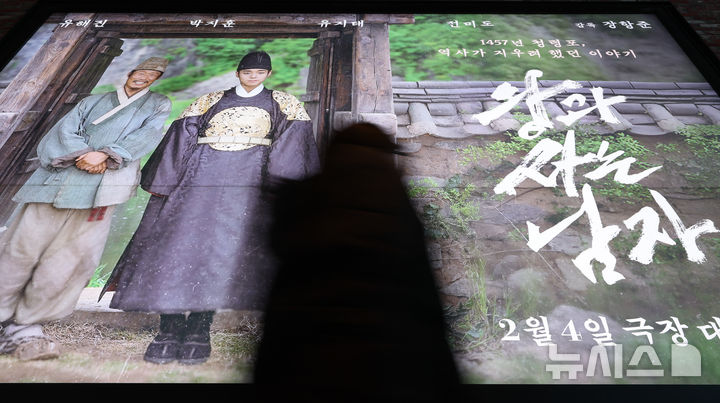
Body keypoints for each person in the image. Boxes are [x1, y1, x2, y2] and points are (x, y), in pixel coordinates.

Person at [100, 51, 320, 365]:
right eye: (247, 72)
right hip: (197, 180)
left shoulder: (285, 103)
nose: (253, 77)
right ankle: (168, 330)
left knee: (222, 254)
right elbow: (181, 138)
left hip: (248, 185)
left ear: (268, 75)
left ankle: (199, 330)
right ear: (237, 73)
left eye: (259, 73)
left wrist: (277, 185)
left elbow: (292, 144)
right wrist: (169, 180)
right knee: (176, 248)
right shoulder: (209, 100)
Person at [253, 123, 460, 402]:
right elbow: (426, 303)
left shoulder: (301, 203)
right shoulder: (397, 211)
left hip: (304, 364)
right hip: (392, 368)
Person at [0, 57, 172, 361]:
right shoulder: (93, 102)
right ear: (130, 73)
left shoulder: (157, 104)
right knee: (19, 249)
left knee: (70, 259)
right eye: (141, 72)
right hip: (58, 180)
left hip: (103, 187)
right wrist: (84, 154)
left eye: (152, 75)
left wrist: (107, 154)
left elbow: (147, 135)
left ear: (156, 80)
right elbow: (63, 131)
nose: (144, 77)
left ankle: (26, 326)